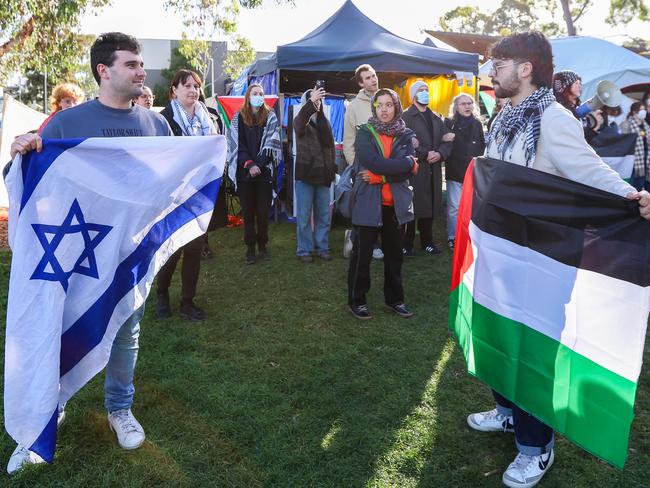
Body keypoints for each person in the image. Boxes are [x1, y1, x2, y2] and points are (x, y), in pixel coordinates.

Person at [469, 31, 650, 488]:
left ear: (525, 68)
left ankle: (536, 447)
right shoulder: (507, 115)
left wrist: (633, 195)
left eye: (499, 63)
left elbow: (588, 170)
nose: (492, 71)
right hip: (503, 252)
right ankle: (507, 411)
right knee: (499, 332)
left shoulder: (552, 118)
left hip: (543, 259)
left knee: (533, 349)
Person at [8, 32, 173, 474]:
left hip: (132, 250)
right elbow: (37, 172)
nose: (142, 71)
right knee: (55, 327)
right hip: (75, 252)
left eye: (141, 64)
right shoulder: (66, 122)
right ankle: (48, 409)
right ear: (104, 70)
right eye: (132, 64)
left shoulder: (156, 125)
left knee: (125, 330)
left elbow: (170, 185)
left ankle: (120, 408)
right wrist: (22, 149)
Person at [347, 88, 418, 320]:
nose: (385, 109)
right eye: (380, 105)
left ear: (396, 107)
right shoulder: (365, 133)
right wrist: (403, 166)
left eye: (389, 104)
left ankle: (395, 299)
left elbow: (406, 168)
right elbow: (373, 162)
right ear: (374, 107)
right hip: (368, 202)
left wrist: (383, 177)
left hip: (396, 205)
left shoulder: (406, 134)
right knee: (362, 255)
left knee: (394, 255)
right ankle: (357, 300)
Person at [156, 70, 217, 321]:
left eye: (197, 86)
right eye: (187, 86)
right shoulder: (163, 119)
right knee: (172, 248)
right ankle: (161, 295)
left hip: (200, 191)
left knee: (194, 247)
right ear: (174, 90)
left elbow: (215, 148)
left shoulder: (207, 117)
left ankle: (187, 302)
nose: (193, 90)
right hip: (173, 194)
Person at [227, 83, 281, 264]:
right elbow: (236, 144)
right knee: (248, 215)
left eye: (261, 93)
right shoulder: (239, 117)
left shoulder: (270, 116)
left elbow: (271, 144)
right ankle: (250, 250)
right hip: (245, 174)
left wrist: (259, 165)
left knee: (263, 214)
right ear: (248, 96)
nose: (258, 96)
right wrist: (249, 165)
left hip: (264, 174)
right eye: (255, 93)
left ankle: (263, 246)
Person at [402, 81, 452, 257]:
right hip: (415, 169)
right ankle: (406, 245)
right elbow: (405, 142)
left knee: (429, 207)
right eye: (421, 90)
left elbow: (448, 141)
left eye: (426, 90)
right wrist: (425, 153)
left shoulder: (436, 117)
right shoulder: (406, 117)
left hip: (434, 169)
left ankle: (427, 242)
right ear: (414, 95)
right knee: (412, 207)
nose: (425, 93)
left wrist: (440, 154)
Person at [343, 64, 384, 260]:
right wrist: (355, 166)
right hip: (363, 166)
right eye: (368, 78)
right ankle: (361, 239)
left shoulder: (387, 99)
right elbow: (348, 140)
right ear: (361, 83)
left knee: (383, 203)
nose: (373, 80)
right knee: (365, 206)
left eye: (374, 75)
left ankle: (374, 241)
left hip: (385, 164)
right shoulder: (353, 107)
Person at [293, 85, 337, 262]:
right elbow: (299, 123)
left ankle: (322, 247)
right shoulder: (300, 120)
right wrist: (311, 101)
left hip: (323, 175)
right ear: (307, 102)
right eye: (313, 99)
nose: (317, 102)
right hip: (305, 175)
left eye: (319, 99)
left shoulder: (324, 122)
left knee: (324, 215)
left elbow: (331, 149)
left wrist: (332, 171)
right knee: (303, 216)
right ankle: (304, 250)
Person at [444, 94, 485, 250]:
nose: (467, 106)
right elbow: (445, 146)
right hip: (455, 171)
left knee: (472, 206)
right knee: (454, 207)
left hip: (473, 172)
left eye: (469, 103)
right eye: (463, 104)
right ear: (456, 106)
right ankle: (452, 237)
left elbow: (481, 146)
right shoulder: (449, 123)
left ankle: (469, 235)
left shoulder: (477, 124)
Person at [552, 70, 603, 141]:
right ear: (565, 86)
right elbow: (576, 140)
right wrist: (595, 126)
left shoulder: (575, 106)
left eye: (580, 83)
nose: (579, 86)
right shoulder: (560, 111)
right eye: (576, 83)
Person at [620, 101, 650, 191]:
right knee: (635, 183)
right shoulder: (626, 124)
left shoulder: (646, 125)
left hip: (646, 156)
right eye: (641, 110)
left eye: (644, 110)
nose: (643, 112)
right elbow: (623, 143)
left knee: (645, 182)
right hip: (633, 159)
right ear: (634, 112)